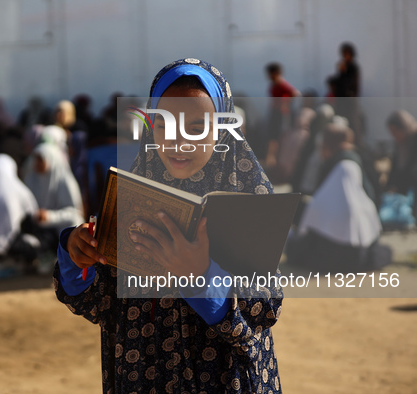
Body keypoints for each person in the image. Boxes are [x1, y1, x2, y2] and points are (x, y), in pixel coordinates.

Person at [54, 59, 282, 393]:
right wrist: (76, 255)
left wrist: (201, 279)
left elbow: (264, 308)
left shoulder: (248, 195)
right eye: (165, 124)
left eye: (198, 125)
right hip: (143, 376)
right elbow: (101, 303)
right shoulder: (132, 199)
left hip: (225, 380)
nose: (180, 140)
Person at [288, 124, 391, 272]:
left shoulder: (336, 168)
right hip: (357, 256)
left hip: (325, 254)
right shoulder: (360, 163)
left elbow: (308, 228)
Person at [25, 143, 84, 251]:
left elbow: (75, 213)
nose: (37, 163)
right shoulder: (32, 178)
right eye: (36, 158)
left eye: (41, 159)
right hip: (40, 230)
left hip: (61, 230)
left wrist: (50, 217)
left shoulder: (64, 182)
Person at [264, 62, 299, 179]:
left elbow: (295, 93)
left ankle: (276, 164)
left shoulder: (281, 83)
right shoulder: (274, 84)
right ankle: (272, 162)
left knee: (278, 138)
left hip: (280, 114)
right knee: (272, 139)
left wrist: (285, 104)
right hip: (275, 113)